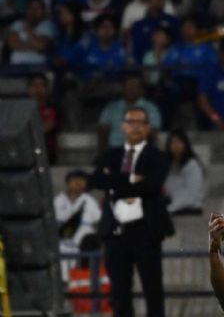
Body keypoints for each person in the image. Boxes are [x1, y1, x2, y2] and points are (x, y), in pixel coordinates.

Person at [91, 106, 173, 317]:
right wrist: (131, 179)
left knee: (153, 290)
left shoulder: (158, 156)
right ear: (123, 126)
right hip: (115, 234)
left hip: (146, 232)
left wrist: (116, 181)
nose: (136, 127)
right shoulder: (110, 154)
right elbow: (98, 180)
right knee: (119, 293)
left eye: (141, 123)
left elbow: (152, 186)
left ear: (148, 128)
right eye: (131, 122)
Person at [98, 74, 162, 151]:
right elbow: (102, 131)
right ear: (123, 88)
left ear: (141, 90)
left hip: (141, 150)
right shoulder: (111, 108)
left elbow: (153, 132)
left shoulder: (151, 108)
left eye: (134, 87)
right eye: (128, 86)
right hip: (115, 149)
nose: (131, 89)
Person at [54, 170, 101, 261]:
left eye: (81, 181)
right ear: (68, 183)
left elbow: (99, 220)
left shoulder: (89, 201)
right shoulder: (58, 200)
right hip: (62, 246)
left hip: (83, 248)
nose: (78, 183)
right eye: (75, 180)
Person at [164, 129, 205, 216]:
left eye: (179, 142)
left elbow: (193, 192)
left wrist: (172, 207)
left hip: (190, 207)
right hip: (173, 205)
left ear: (185, 145)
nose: (176, 146)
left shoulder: (192, 165)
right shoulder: (167, 164)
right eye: (173, 143)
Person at [6, 0, 54, 64]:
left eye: (38, 8)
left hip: (38, 68)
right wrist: (33, 46)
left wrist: (28, 30)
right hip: (16, 66)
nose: (34, 11)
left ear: (43, 10)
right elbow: (12, 44)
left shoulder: (48, 25)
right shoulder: (17, 24)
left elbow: (41, 46)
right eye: (31, 8)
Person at [27, 73, 59, 163]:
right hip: (26, 153)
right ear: (28, 89)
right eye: (34, 85)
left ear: (47, 89)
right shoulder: (22, 109)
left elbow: (48, 126)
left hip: (47, 155)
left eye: (41, 85)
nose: (38, 89)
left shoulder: (52, 108)